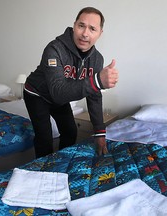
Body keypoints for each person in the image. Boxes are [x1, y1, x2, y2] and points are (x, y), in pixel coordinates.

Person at [23, 6, 119, 158]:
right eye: (81, 26)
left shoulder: (96, 59)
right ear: (74, 26)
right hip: (36, 93)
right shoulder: (54, 49)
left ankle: (62, 161)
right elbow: (58, 92)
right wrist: (97, 80)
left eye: (92, 29)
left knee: (70, 131)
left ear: (100, 33)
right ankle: (43, 171)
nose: (85, 33)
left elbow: (94, 96)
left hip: (59, 97)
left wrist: (99, 132)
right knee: (45, 137)